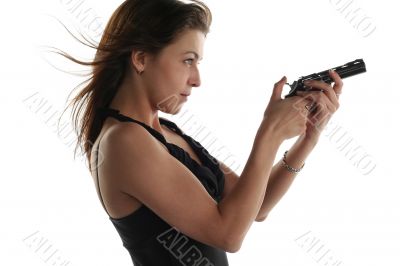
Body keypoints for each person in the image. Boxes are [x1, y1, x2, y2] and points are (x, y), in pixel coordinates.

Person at [61, 0, 343, 265]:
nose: (196, 80)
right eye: (187, 60)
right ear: (141, 59)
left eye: (198, 63)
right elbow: (228, 235)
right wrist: (270, 132)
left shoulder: (165, 133)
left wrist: (308, 138)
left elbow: (255, 207)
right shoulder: (123, 142)